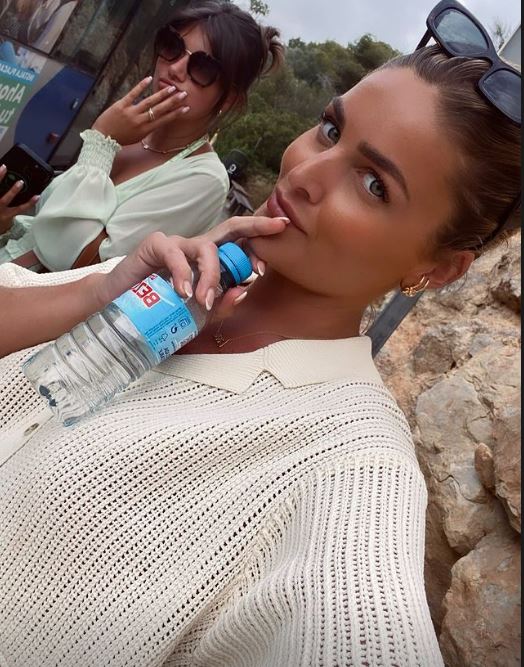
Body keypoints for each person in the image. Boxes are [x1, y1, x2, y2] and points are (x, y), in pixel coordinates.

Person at [0, 2, 520, 664]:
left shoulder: (351, 468)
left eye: (372, 183)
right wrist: (102, 290)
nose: (303, 174)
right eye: (330, 130)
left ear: (436, 269)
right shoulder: (184, 283)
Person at [0, 0, 284, 271]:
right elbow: (45, 223)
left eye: (202, 68)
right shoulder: (132, 132)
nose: (174, 69)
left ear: (229, 99)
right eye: (172, 46)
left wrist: (101, 140)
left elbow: (80, 263)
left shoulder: (204, 179)